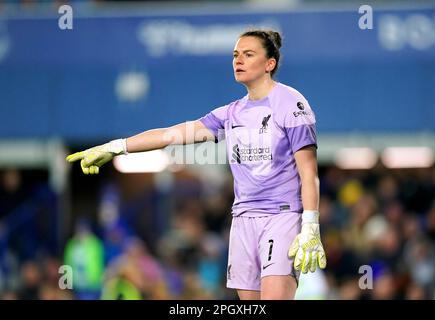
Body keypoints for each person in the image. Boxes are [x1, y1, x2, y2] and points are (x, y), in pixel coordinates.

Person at [66, 29, 327, 300]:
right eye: (236, 55)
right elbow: (171, 135)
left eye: (249, 54)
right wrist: (116, 147)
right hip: (242, 220)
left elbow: (309, 173)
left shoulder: (292, 104)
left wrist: (310, 224)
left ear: (269, 63)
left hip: (281, 216)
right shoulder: (231, 113)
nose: (238, 60)